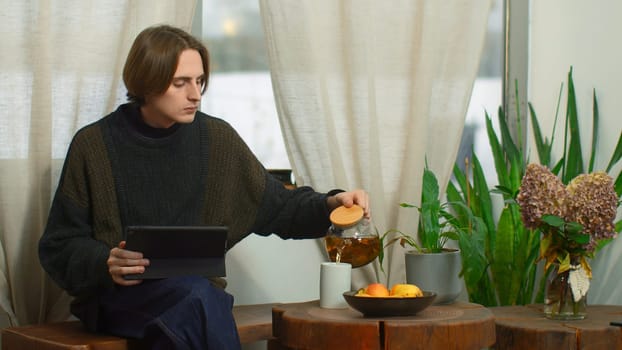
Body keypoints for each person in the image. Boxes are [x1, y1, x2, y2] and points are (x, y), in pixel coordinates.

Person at [38, 24, 370, 349]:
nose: (195, 94)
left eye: (199, 81)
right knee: (198, 301)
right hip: (117, 299)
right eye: (180, 83)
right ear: (146, 81)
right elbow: (59, 245)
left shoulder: (217, 140)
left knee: (192, 305)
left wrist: (332, 203)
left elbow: (277, 206)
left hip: (196, 298)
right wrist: (105, 261)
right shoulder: (94, 145)